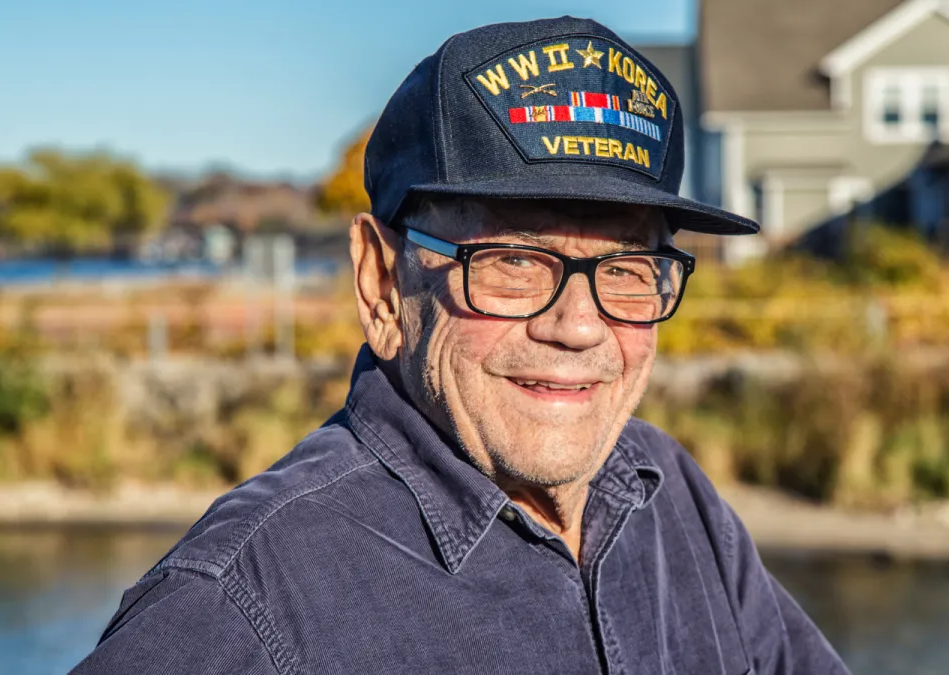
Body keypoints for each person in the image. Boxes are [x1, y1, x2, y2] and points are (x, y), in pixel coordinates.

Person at [71, 16, 848, 675]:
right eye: (512, 259)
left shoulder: (670, 495)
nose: (578, 326)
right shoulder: (241, 606)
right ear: (381, 283)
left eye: (628, 266)